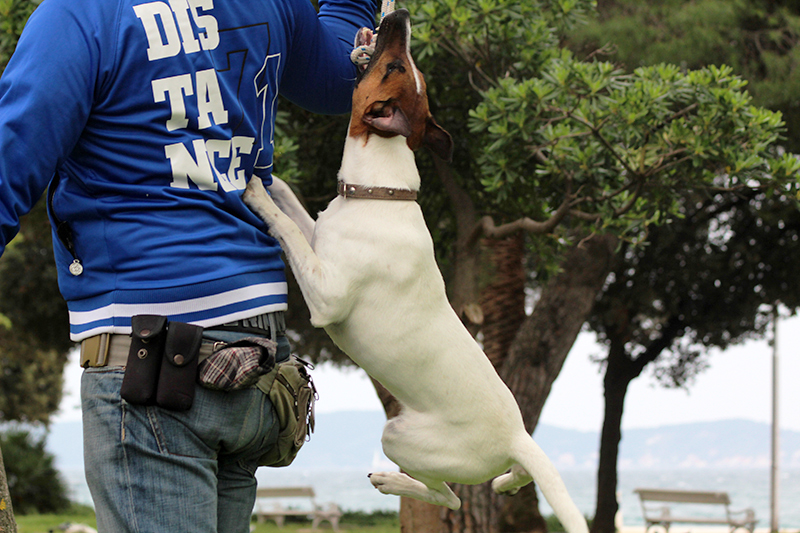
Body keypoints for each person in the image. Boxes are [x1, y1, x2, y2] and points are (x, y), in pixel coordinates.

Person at [0, 0, 376, 529]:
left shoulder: (81, 15)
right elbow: (344, 75)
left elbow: (9, 164)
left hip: (153, 359)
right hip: (256, 356)